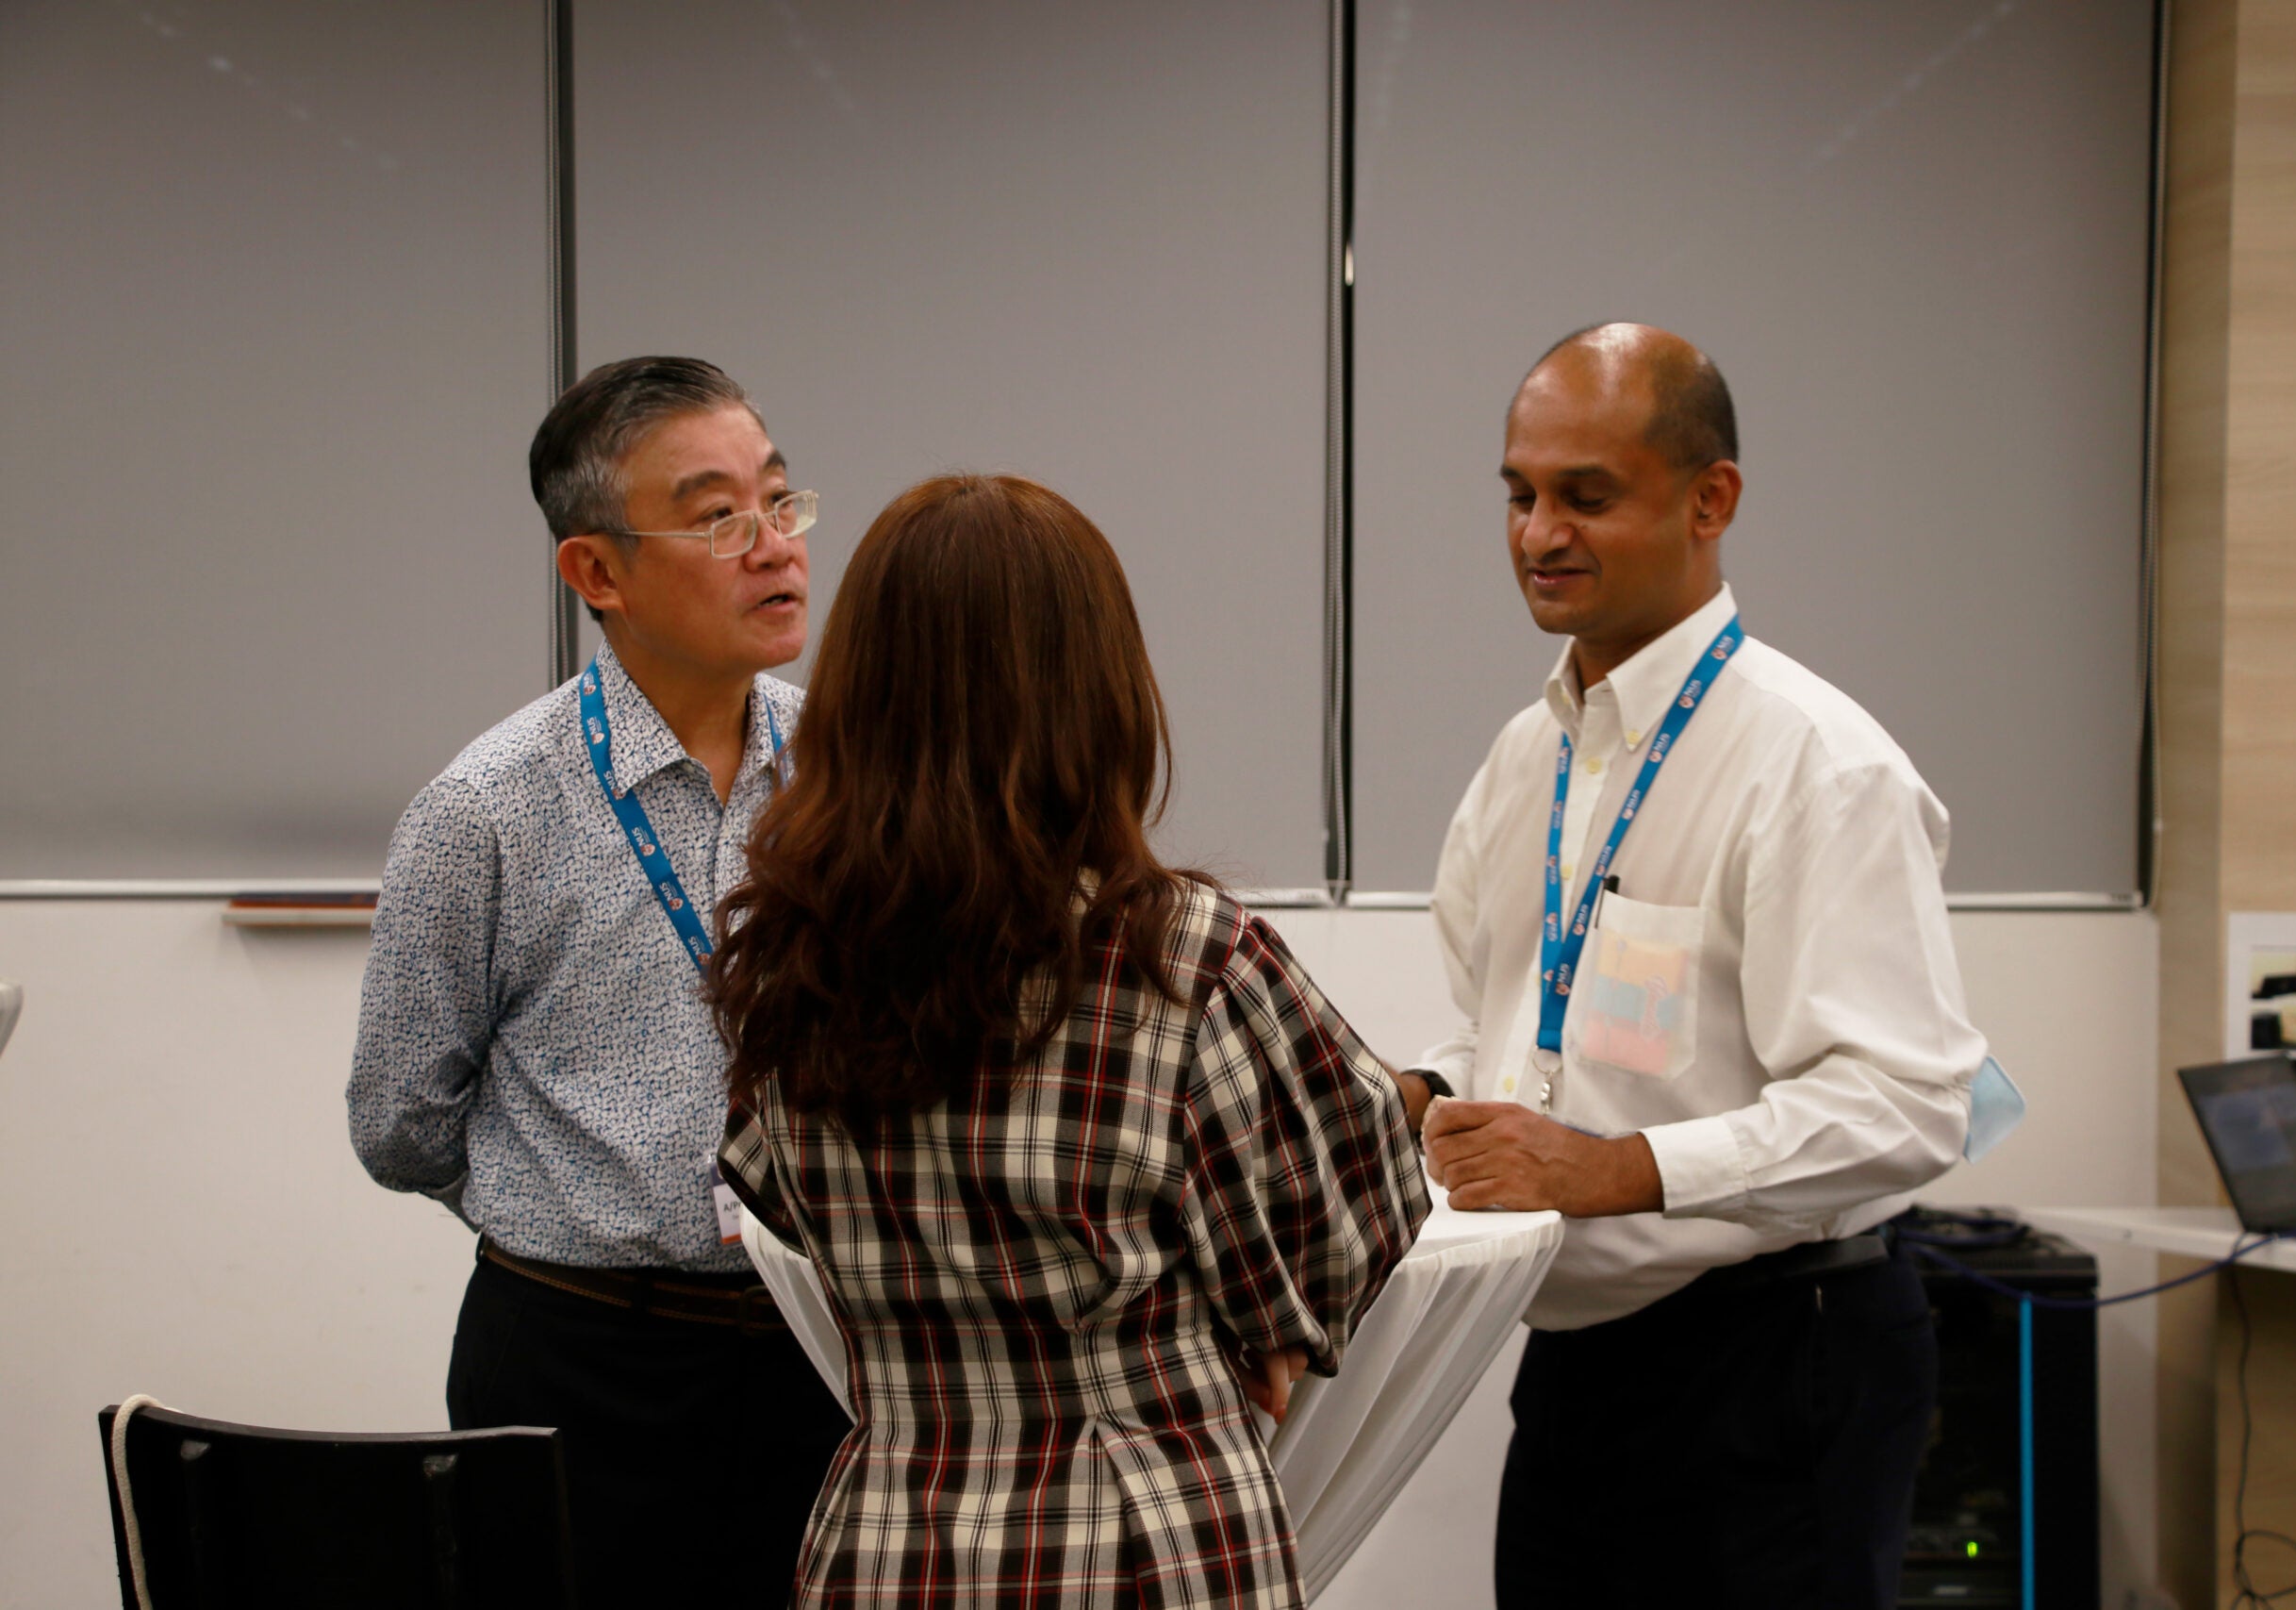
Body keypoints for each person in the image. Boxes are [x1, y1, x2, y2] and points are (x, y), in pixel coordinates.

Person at [705, 473, 1431, 1609]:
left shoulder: (785, 961)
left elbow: (774, 1201)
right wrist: (1265, 1335)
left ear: (855, 696)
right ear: (1101, 692)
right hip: (1151, 1534)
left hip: (891, 1533)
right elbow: (1355, 1211)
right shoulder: (1186, 959)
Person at [1409, 324, 1988, 1609]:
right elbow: (1512, 1027)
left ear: (1709, 500)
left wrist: (1615, 1169)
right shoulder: (1526, 759)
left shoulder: (1816, 764)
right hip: (1577, 1363)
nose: (1538, 533)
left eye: (1585, 495)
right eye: (1518, 494)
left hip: (1775, 1358)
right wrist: (1426, 1094)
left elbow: (1906, 1105)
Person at [347, 357, 850, 1609]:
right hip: (579, 1360)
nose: (772, 545)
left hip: (827, 1347)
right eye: (717, 515)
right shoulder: (487, 810)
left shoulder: (853, 770)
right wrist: (571, 1198)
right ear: (597, 573)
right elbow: (400, 1121)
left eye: (778, 500)